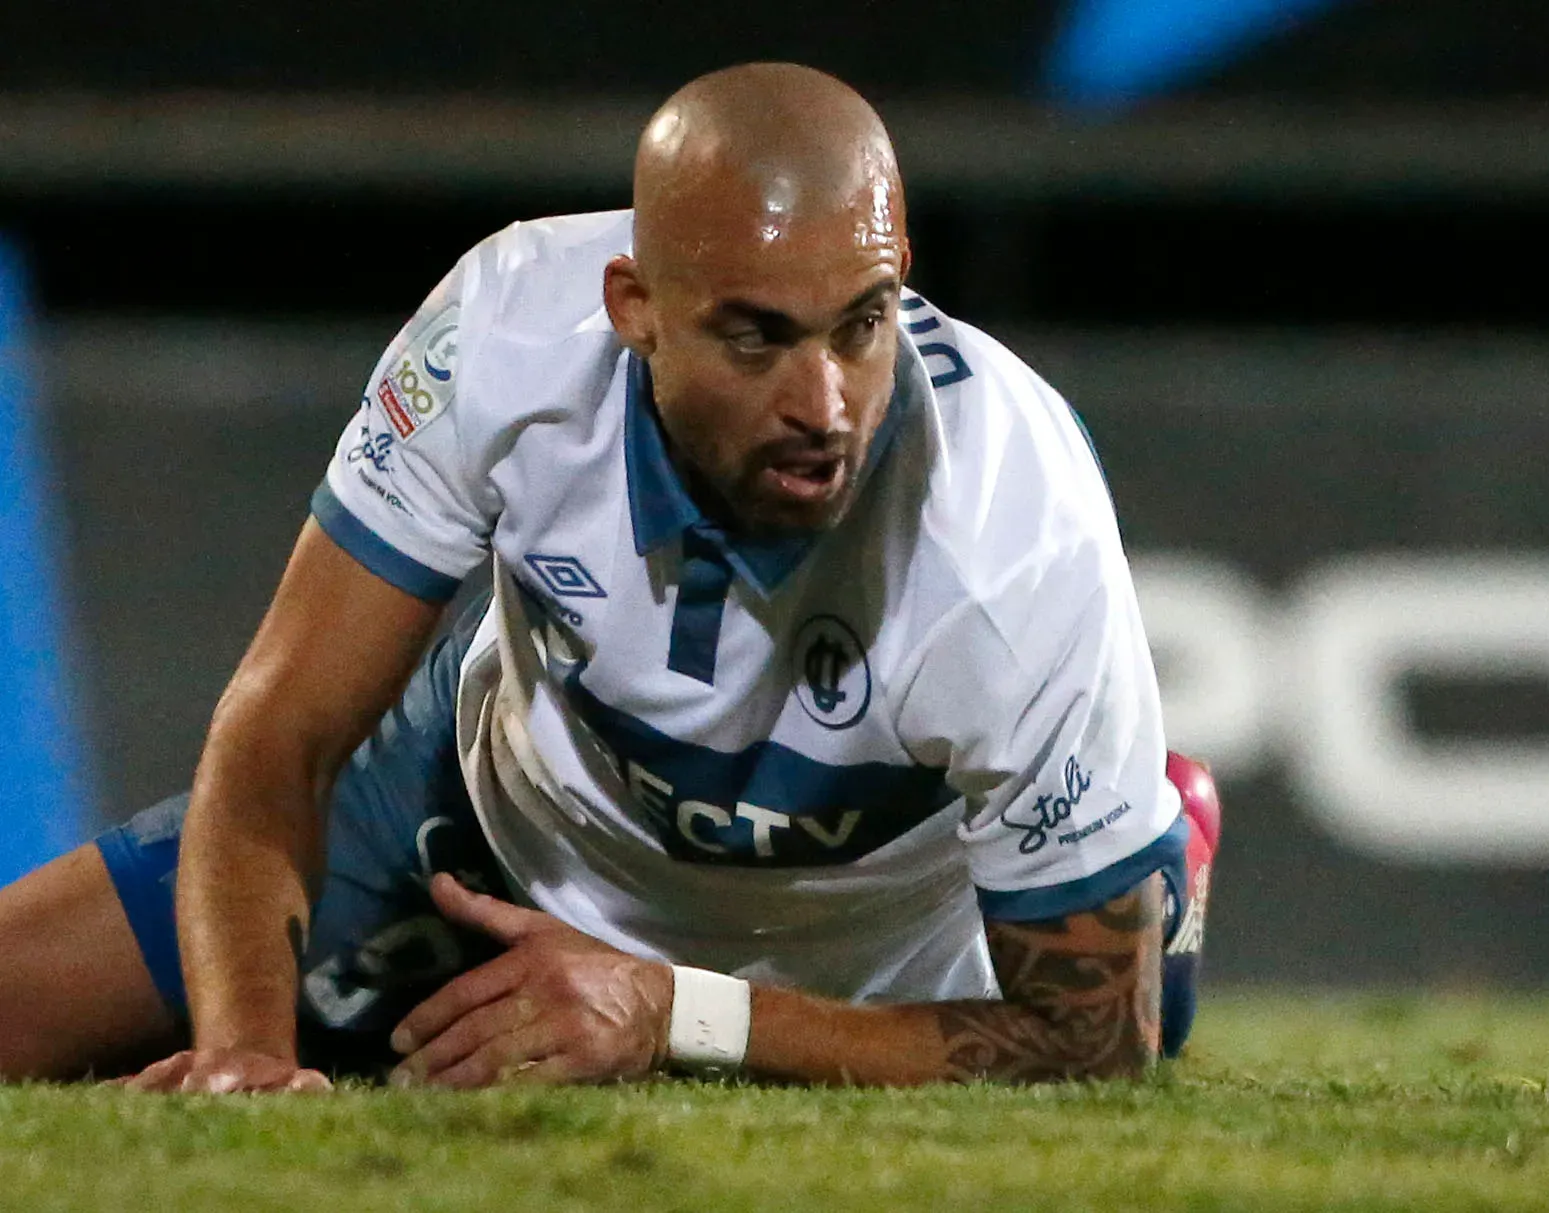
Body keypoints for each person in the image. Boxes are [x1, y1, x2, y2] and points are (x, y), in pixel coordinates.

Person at [0, 62, 1220, 1091]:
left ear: (898, 268)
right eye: (756, 335)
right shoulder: (503, 339)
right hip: (484, 830)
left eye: (861, 322)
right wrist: (245, 1058)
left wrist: (673, 1009)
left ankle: (1135, 823)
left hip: (866, 947)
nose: (826, 404)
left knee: (1125, 996)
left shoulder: (1015, 520)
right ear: (633, 307)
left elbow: (1090, 1039)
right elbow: (283, 732)